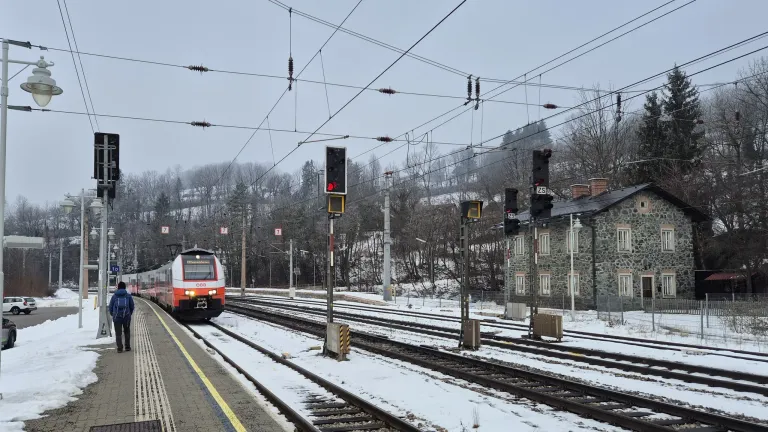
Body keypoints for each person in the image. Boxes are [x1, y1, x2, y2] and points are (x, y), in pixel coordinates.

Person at [109, 281, 135, 353]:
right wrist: (129, 314)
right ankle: (127, 347)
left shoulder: (114, 296)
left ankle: (120, 348)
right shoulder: (128, 296)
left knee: (118, 333)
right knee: (127, 332)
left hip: (117, 317)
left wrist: (113, 314)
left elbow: (110, 307)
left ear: (118, 287)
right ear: (124, 287)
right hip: (126, 317)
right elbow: (132, 306)